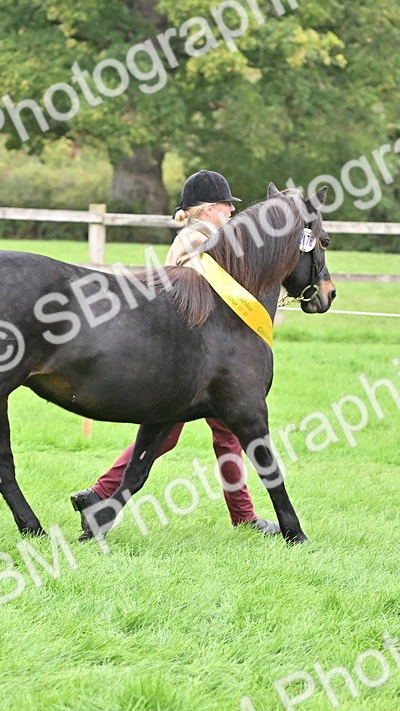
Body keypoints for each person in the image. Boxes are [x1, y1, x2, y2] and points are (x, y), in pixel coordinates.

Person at [70, 170, 280, 536]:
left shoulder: (205, 236)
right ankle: (243, 517)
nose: (232, 210)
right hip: (195, 360)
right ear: (210, 208)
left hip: (201, 358)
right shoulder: (196, 240)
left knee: (190, 435)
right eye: (227, 204)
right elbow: (209, 292)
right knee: (216, 433)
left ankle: (100, 493)